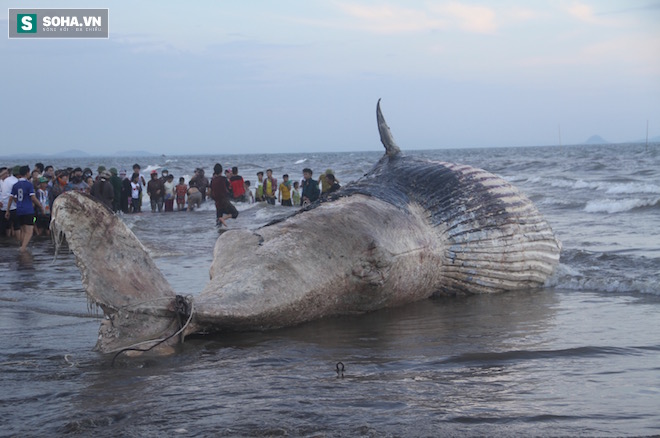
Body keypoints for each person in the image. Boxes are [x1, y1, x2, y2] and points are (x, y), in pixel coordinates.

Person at [5, 166, 44, 251]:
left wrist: (8, 210)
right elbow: (33, 198)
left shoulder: (16, 185)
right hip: (28, 210)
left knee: (23, 230)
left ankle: (22, 245)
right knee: (29, 231)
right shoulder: (29, 184)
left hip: (19, 210)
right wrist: (40, 206)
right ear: (27, 173)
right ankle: (23, 249)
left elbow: (12, 198)